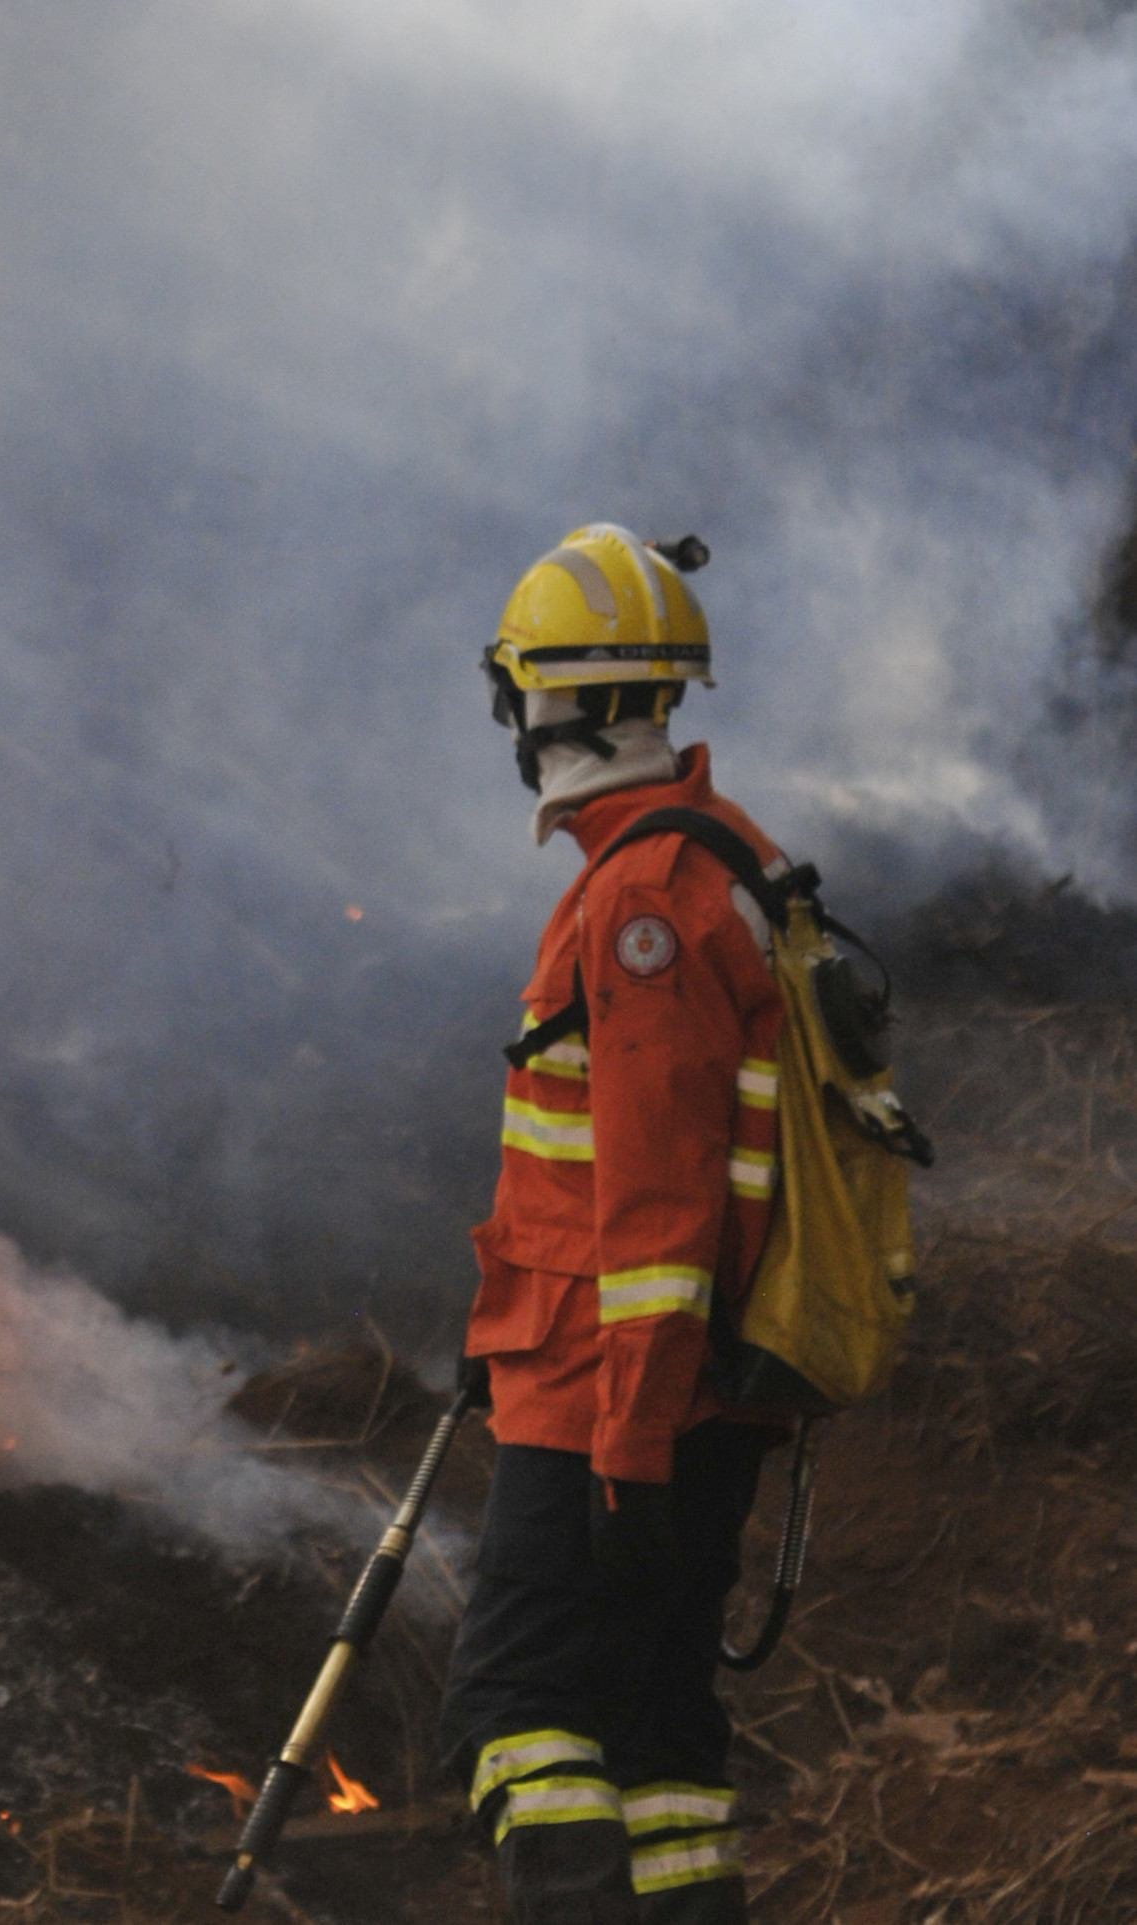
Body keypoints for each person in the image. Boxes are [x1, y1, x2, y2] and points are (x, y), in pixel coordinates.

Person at [441, 524, 787, 1924]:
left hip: (614, 1398)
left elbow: (657, 1197)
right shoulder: (724, 857)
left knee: (520, 1719)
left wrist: (629, 1448)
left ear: (552, 702)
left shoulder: (639, 897)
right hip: (689, 1382)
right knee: (654, 1742)